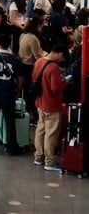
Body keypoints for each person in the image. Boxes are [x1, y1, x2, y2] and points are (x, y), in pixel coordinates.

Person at [33, 44, 69, 172]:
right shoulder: (54, 67)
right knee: (51, 133)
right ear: (59, 53)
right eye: (62, 57)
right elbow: (55, 88)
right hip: (51, 105)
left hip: (40, 102)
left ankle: (38, 157)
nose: (62, 60)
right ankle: (50, 161)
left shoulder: (39, 61)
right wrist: (65, 81)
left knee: (40, 130)